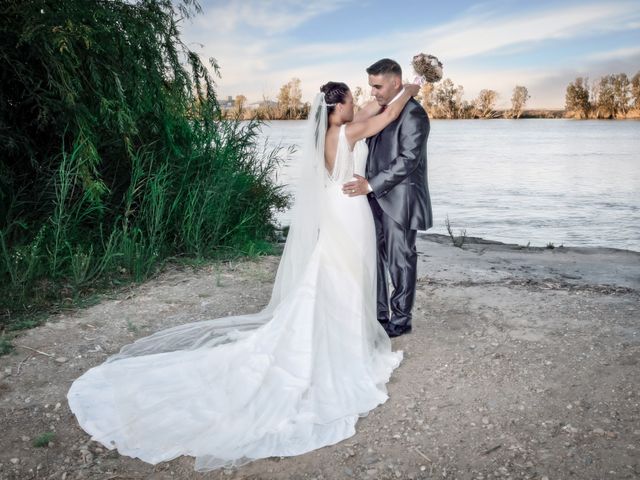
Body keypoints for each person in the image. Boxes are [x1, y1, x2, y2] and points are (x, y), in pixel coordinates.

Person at [66, 80, 420, 472]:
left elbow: (376, 108)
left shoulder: (330, 131)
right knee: (347, 275)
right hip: (350, 210)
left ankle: (343, 337)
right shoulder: (346, 131)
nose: (358, 103)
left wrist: (390, 90)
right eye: (352, 100)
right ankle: (346, 347)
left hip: (338, 208)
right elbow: (385, 115)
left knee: (335, 274)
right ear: (337, 110)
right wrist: (413, 87)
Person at [343, 58, 432, 337]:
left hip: (399, 200)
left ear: (396, 82)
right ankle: (380, 315)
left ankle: (401, 319)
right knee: (375, 258)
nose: (373, 92)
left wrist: (370, 185)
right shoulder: (382, 110)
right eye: (371, 86)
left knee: (401, 259)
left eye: (378, 86)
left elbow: (408, 160)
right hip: (372, 198)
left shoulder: (414, 114)